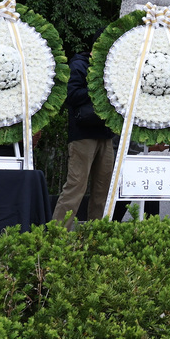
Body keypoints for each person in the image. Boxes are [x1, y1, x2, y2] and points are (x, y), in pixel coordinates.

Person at [52, 50, 118, 222]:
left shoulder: (112, 67)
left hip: (106, 134)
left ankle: (97, 235)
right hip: (83, 135)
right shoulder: (79, 64)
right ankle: (57, 235)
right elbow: (70, 95)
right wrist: (97, 86)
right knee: (76, 186)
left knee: (104, 189)